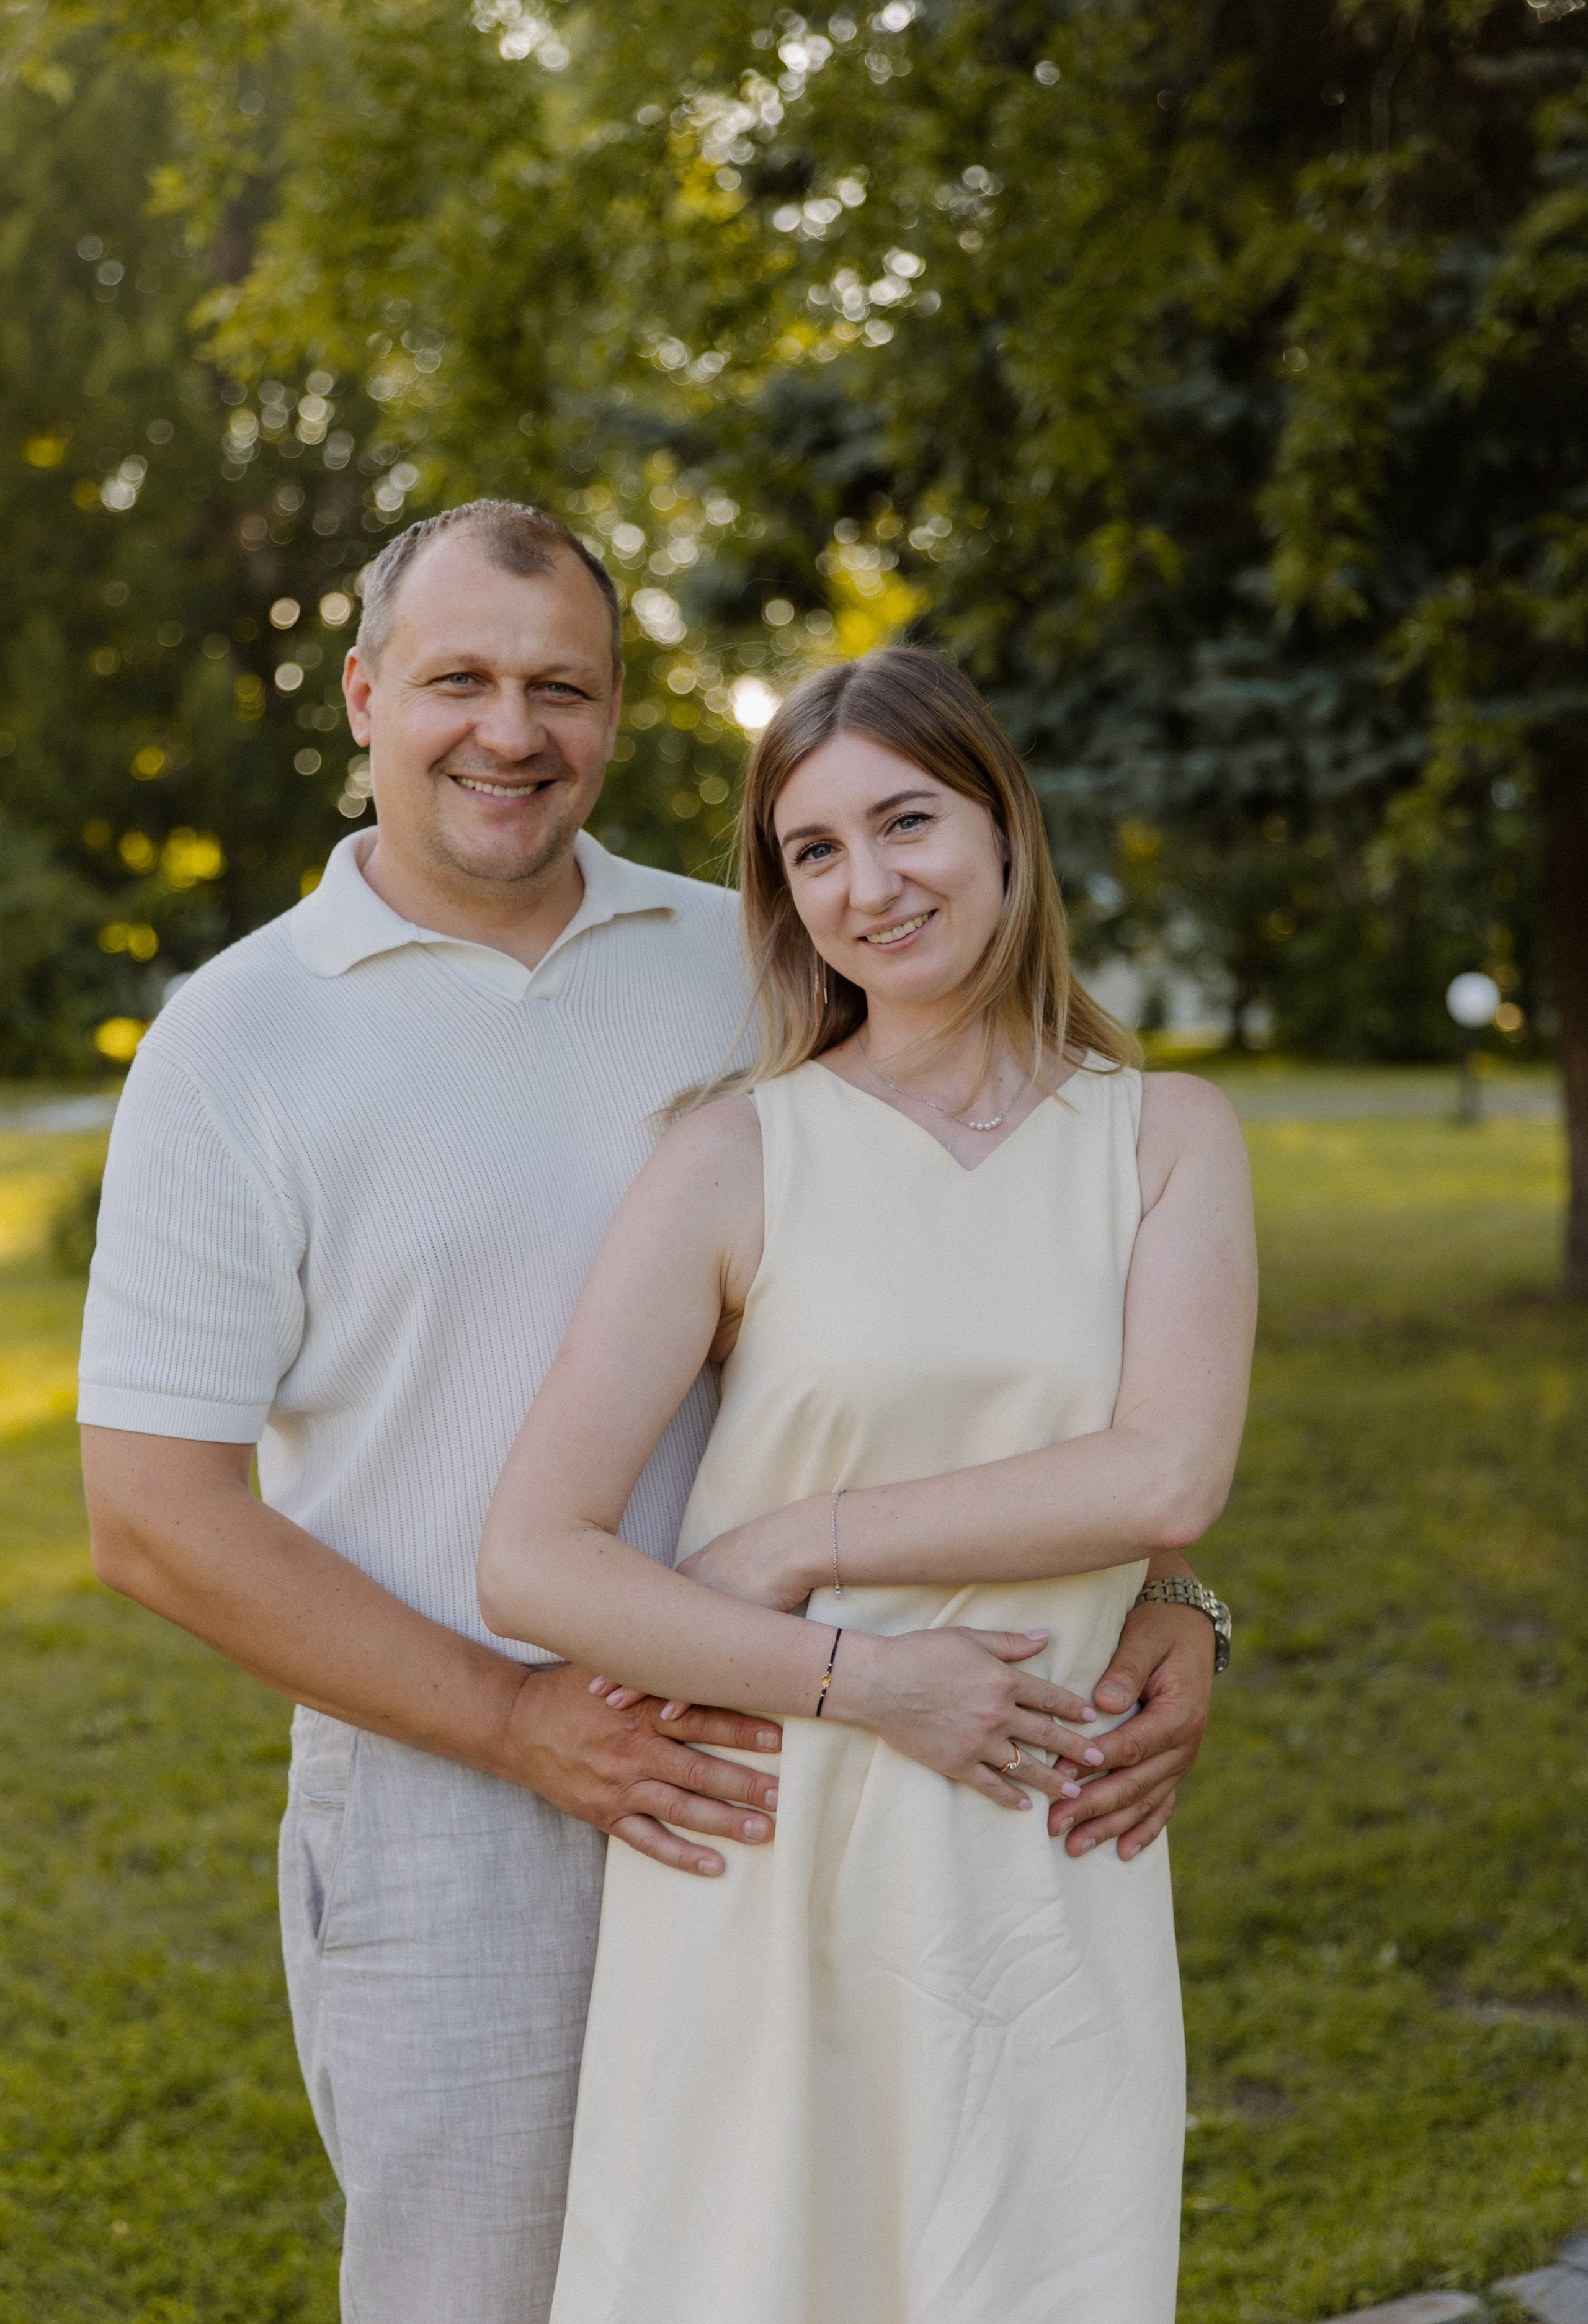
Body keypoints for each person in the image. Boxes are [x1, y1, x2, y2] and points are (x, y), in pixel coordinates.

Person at [79, 501, 1224, 2324]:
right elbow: (150, 1516)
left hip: (833, 1767)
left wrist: (1172, 1590)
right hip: (463, 1779)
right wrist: (524, 1717)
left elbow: (985, 1285)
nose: (510, 730)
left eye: (563, 687)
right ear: (366, 695)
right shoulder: (240, 1044)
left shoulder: (758, 951)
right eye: (457, 679)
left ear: (616, 715)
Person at [478, 646, 1256, 2324]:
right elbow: (531, 1559)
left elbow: (1170, 1471)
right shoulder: (737, 1152)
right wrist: (864, 1672)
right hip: (780, 1842)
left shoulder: (1164, 1135)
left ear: (1002, 827)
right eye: (813, 851)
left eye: (906, 822)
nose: (869, 885)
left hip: (1048, 1845)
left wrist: (805, 1538)